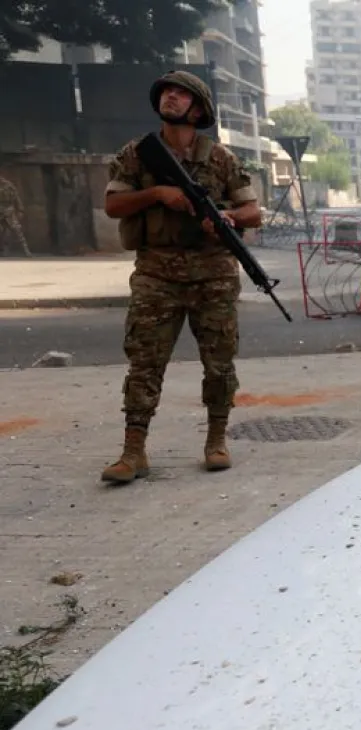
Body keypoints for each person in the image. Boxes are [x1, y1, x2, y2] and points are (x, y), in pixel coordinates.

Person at [99, 71, 261, 485]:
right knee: (144, 364)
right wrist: (156, 195)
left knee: (219, 363)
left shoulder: (221, 158)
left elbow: (252, 212)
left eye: (182, 93)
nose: (171, 97)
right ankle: (134, 450)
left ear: (199, 109)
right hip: (157, 273)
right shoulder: (137, 154)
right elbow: (114, 206)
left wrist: (226, 217)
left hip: (213, 275)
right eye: (167, 92)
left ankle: (216, 441)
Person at [0, 175, 30, 257]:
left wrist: (20, 209)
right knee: (3, 231)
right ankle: (4, 250)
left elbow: (16, 198)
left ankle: (26, 251)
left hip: (8, 210)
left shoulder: (9, 186)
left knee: (17, 230)